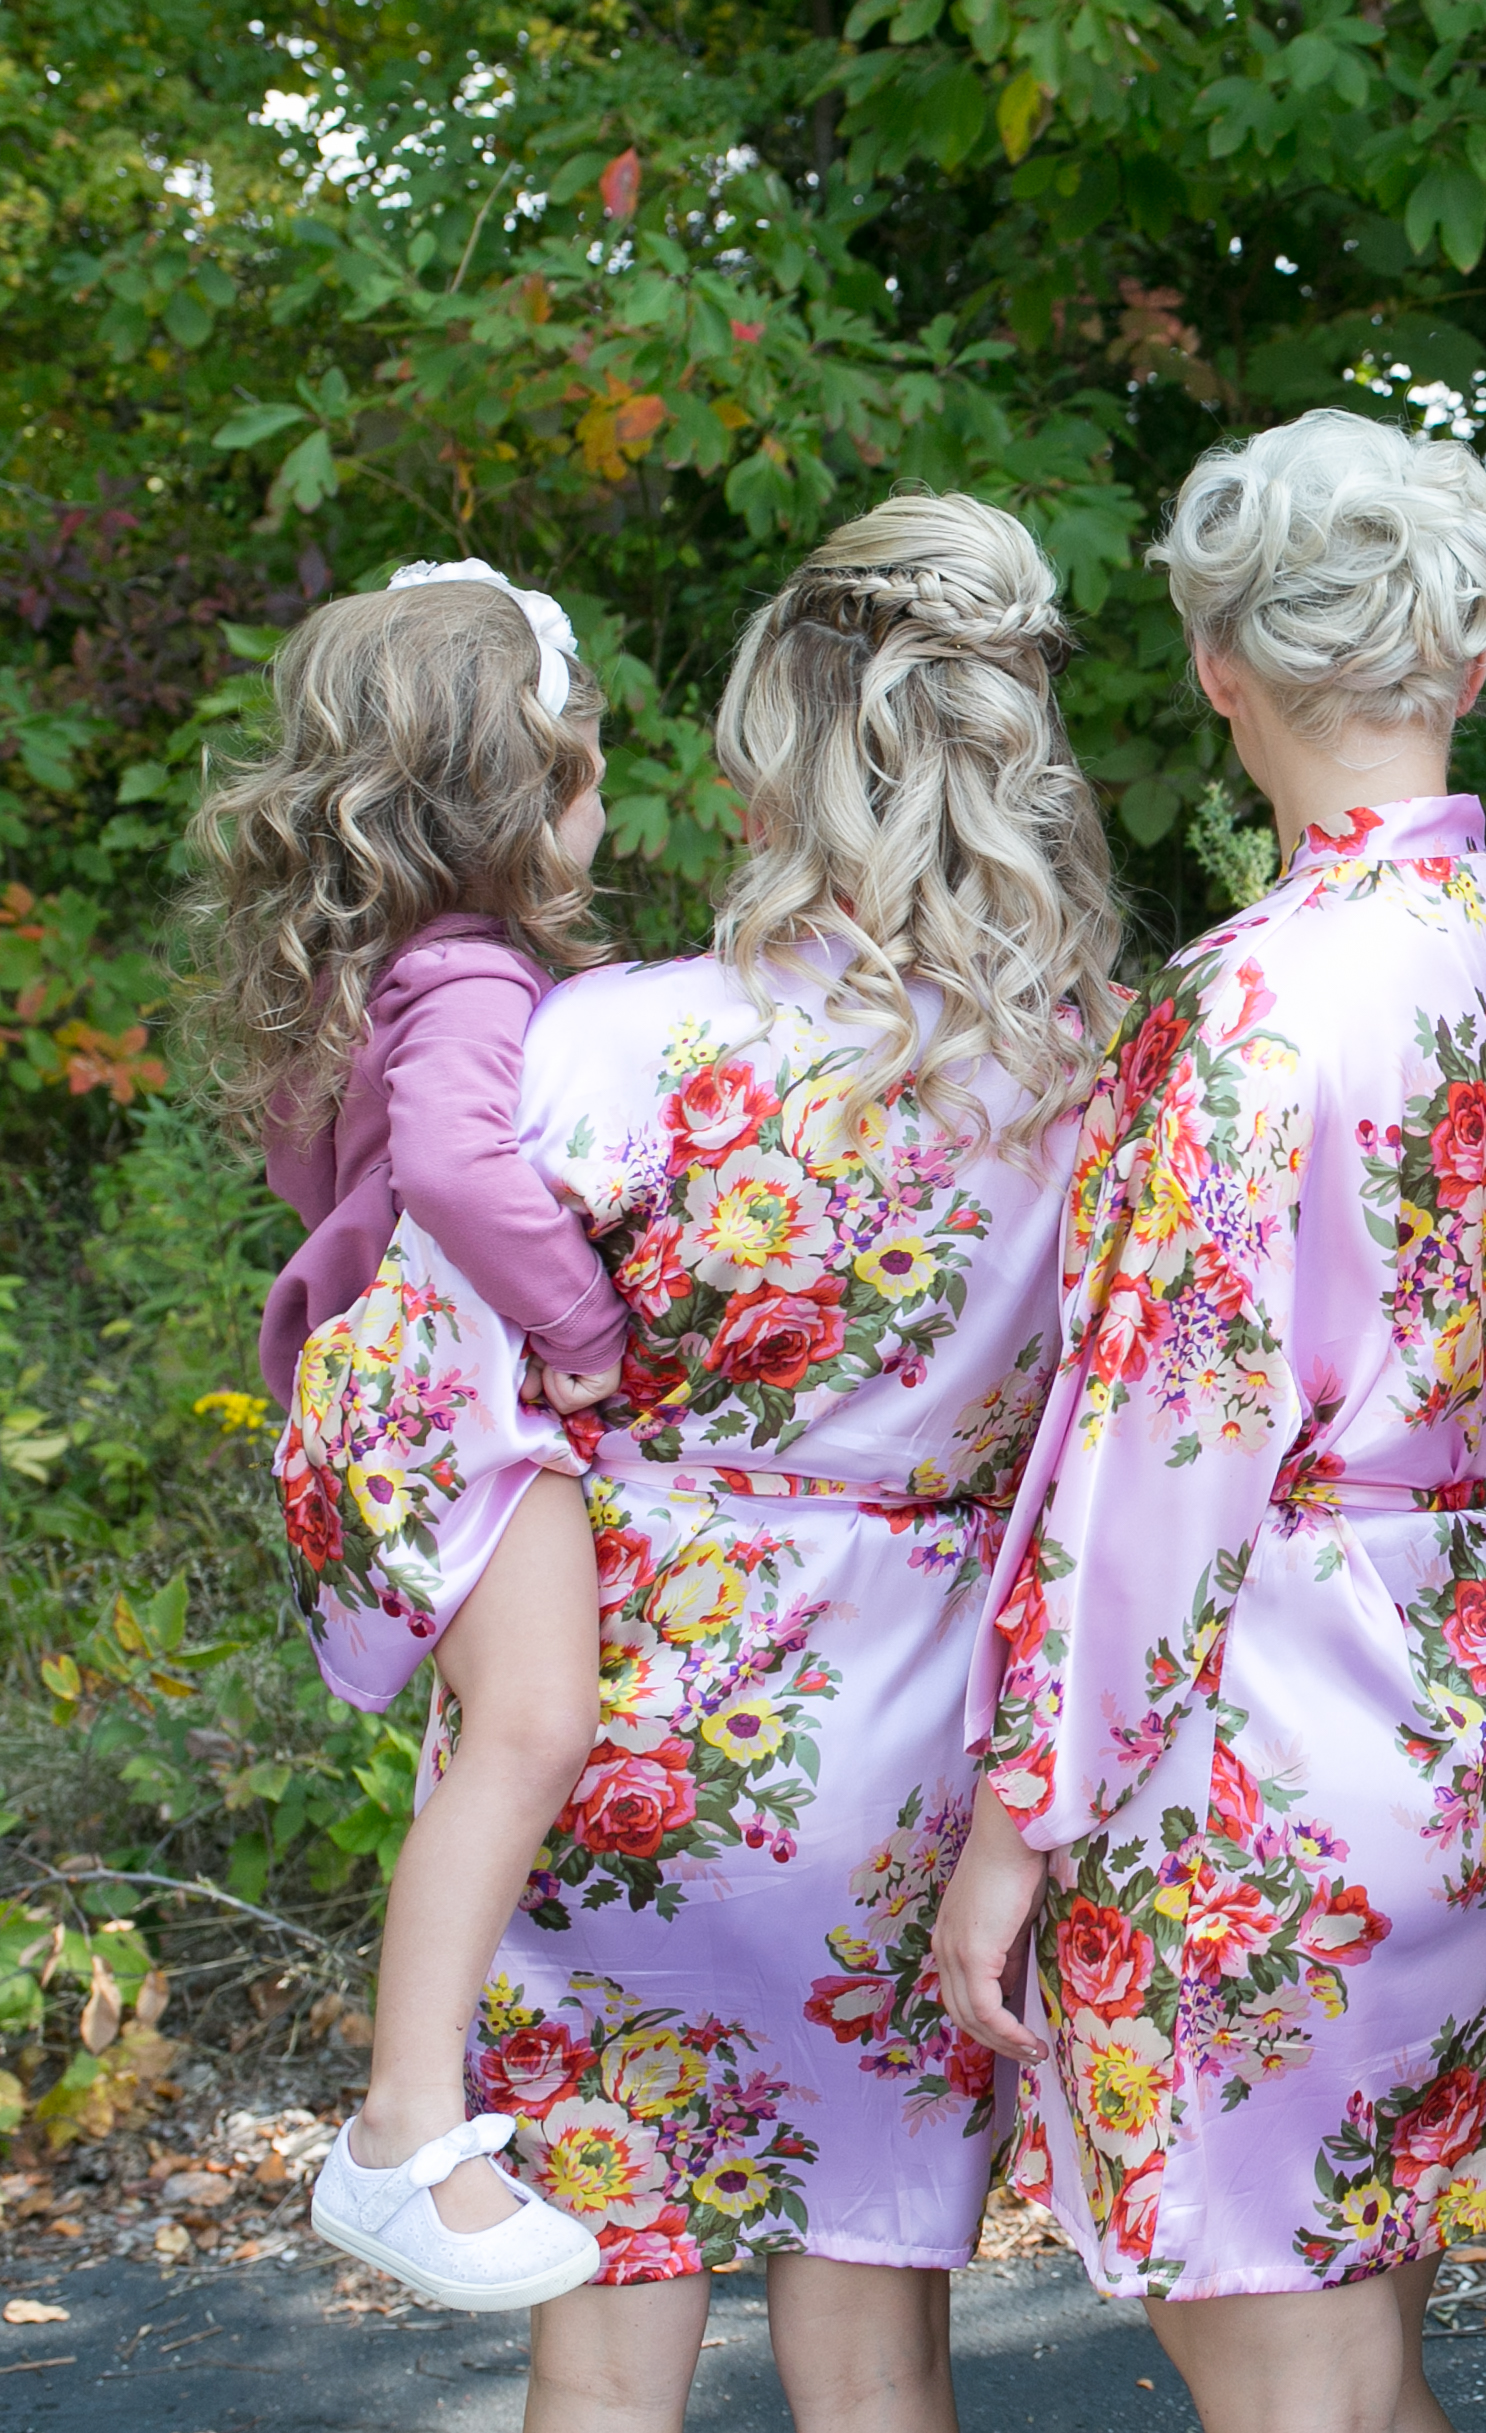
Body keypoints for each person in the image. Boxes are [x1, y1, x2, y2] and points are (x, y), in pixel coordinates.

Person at [272, 491, 1124, 2430]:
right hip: (909, 1737)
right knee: (876, 2337)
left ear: (765, 780)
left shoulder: (598, 1042)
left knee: (601, 2308)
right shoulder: (1078, 1068)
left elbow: (421, 1384)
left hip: (624, 1719)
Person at [933, 409, 1486, 2433]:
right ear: (1473, 662)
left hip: (1260, 1749)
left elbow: (1161, 1455)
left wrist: (1022, 1815)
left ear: (1218, 669)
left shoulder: (1246, 1009)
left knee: (1283, 2375)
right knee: (1345, 2359)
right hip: (1485, 1720)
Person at [184, 562, 633, 2312]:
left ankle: (418, 2116)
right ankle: (397, 2131)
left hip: (394, 1404)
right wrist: (584, 1325)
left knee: (488, 1745)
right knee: (532, 1727)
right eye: (586, 768)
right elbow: (451, 1167)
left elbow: (342, 1177)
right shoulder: (465, 975)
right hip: (465, 1404)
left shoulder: (373, 967)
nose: (604, 803)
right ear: (519, 793)